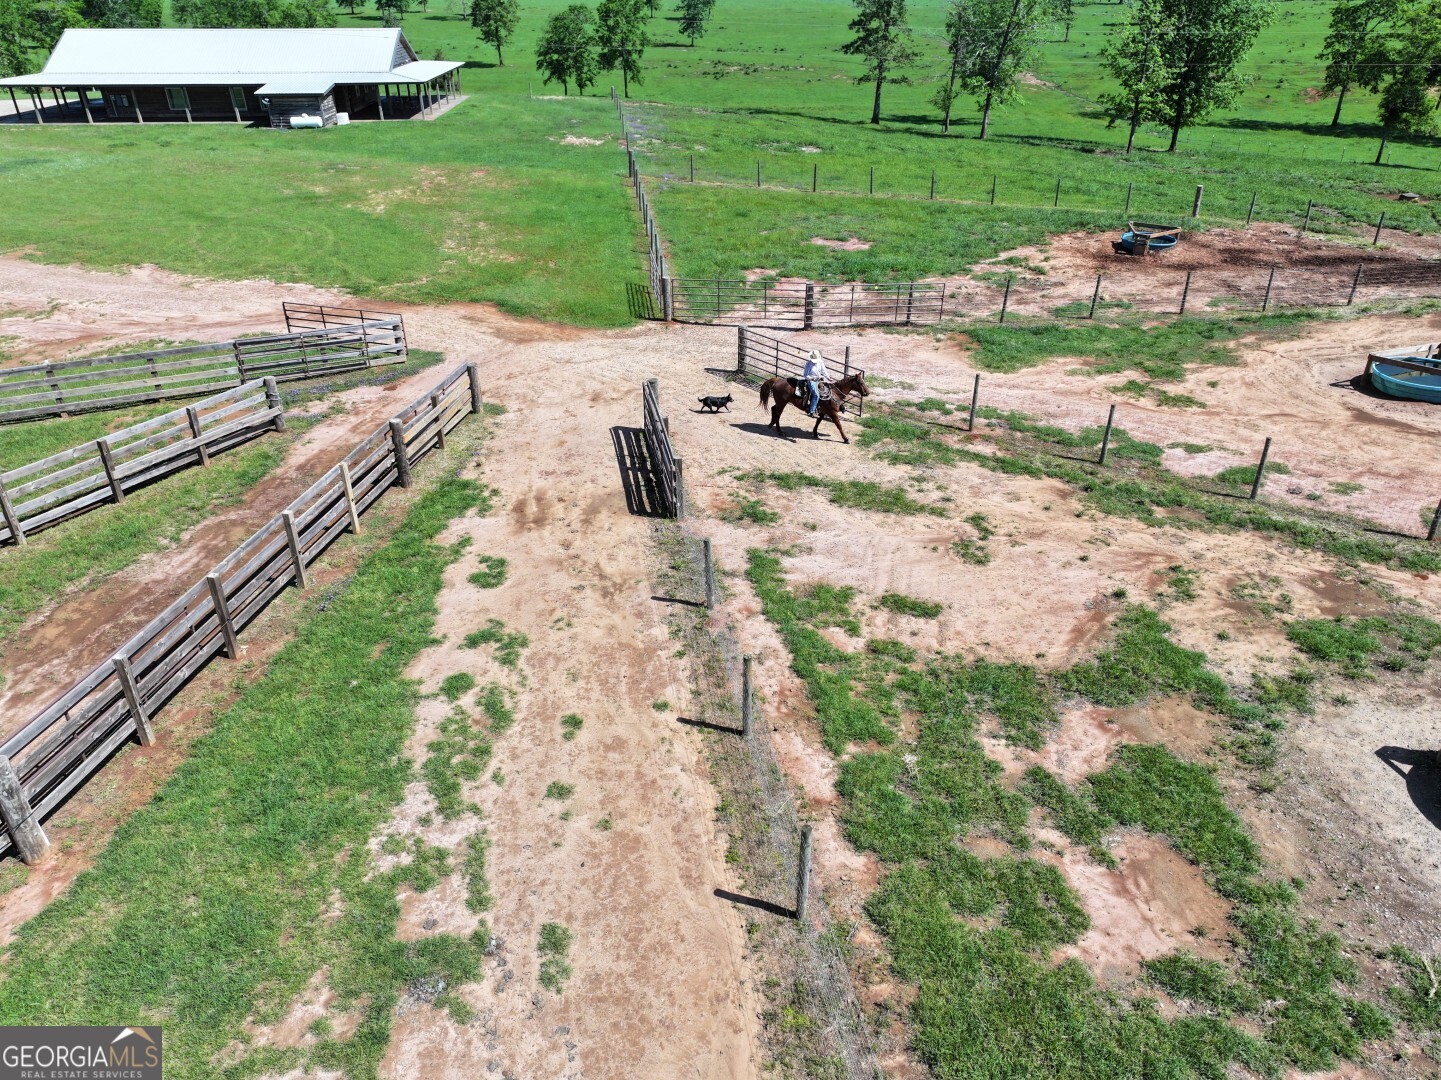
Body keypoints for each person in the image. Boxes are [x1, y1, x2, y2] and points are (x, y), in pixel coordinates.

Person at [802, 350, 829, 417]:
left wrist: (828, 377)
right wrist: (811, 378)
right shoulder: (808, 364)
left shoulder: (820, 362)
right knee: (816, 394)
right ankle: (812, 411)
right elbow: (805, 375)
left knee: (826, 391)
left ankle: (823, 409)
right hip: (811, 380)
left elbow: (824, 370)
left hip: (819, 379)